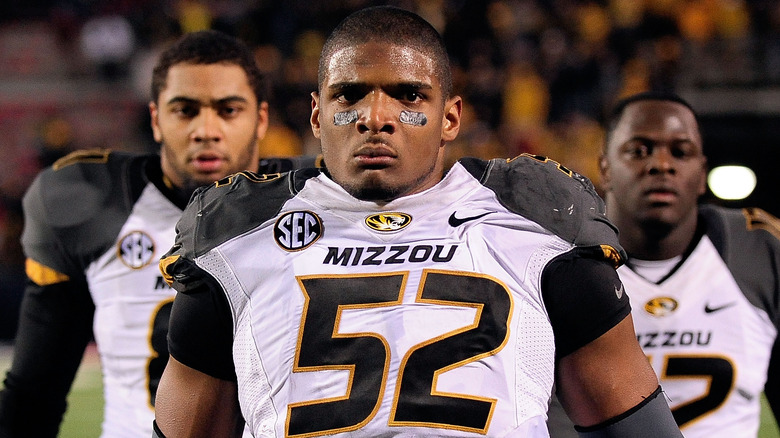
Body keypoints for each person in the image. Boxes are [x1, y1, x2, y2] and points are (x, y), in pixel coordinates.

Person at [154, 7, 682, 438]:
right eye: (349, 94)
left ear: (451, 117)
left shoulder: (538, 222)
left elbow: (636, 425)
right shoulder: (235, 237)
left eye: (408, 96)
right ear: (317, 116)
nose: (375, 116)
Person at [0, 30, 315, 438]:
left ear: (261, 120)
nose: (205, 129)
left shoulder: (316, 199)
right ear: (155, 119)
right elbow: (35, 391)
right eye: (185, 110)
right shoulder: (89, 202)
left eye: (228, 110)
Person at [598, 92, 779, 436]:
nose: (662, 164)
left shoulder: (761, 250)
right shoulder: (562, 261)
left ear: (701, 173)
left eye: (680, 152)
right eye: (639, 150)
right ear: (605, 168)